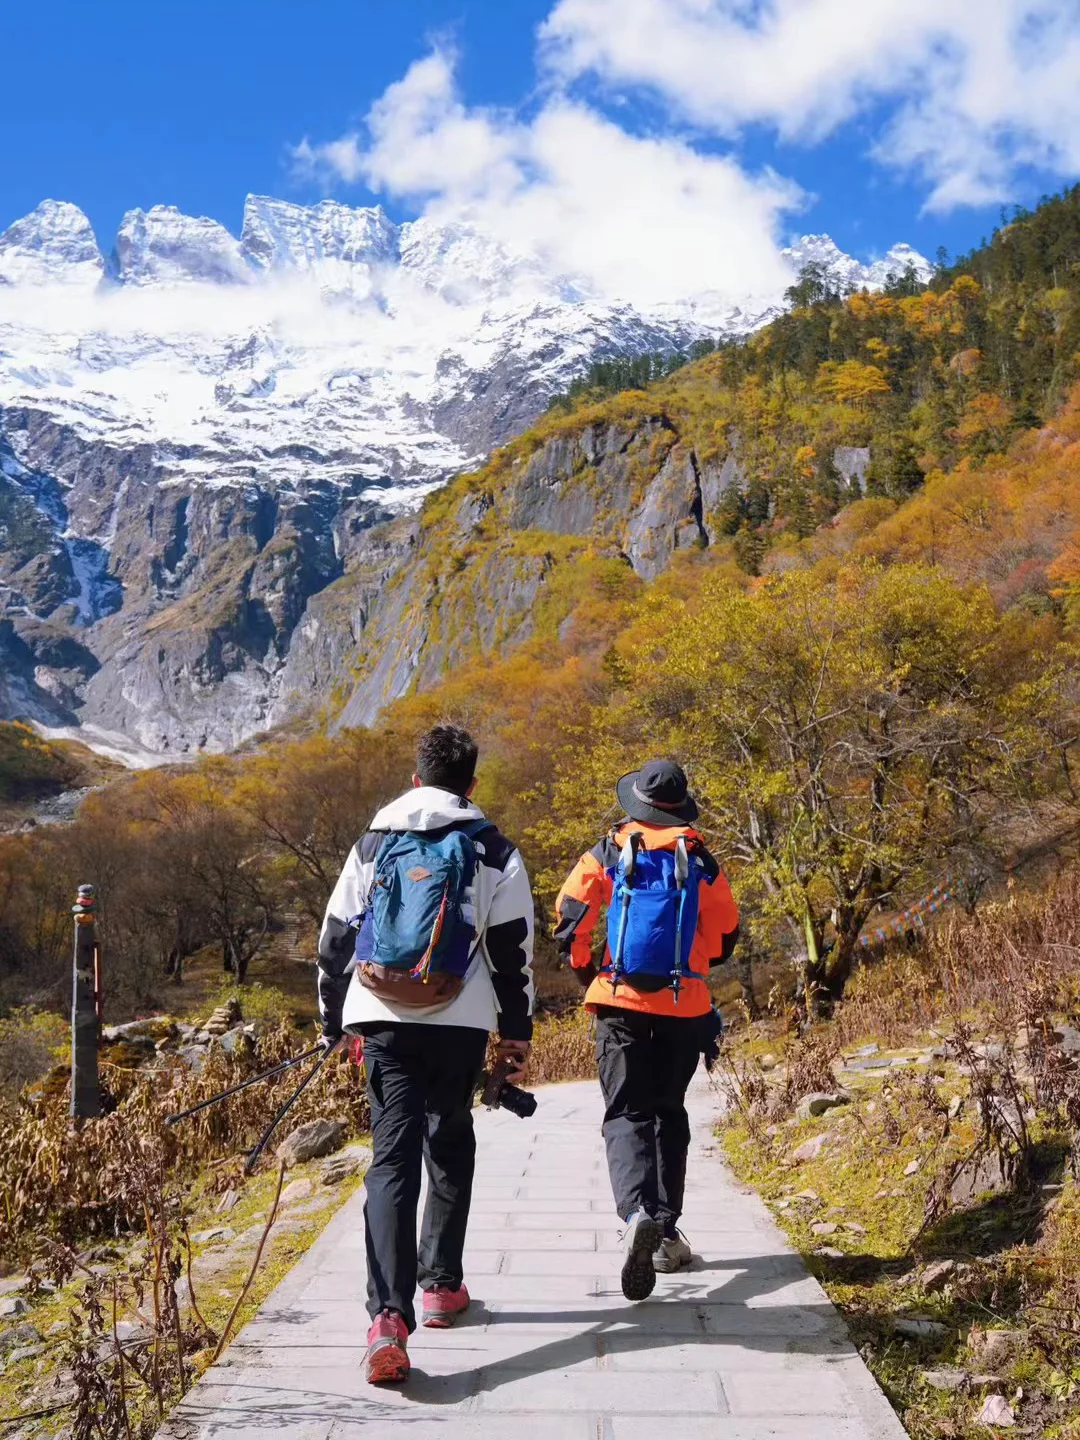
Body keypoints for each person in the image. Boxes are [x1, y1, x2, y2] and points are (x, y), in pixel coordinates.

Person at [317, 725, 535, 1385]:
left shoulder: (374, 841)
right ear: (472, 784)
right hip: (460, 1022)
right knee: (450, 1137)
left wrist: (334, 1023)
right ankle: (440, 1287)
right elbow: (512, 954)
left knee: (391, 1160)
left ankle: (388, 1316)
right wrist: (516, 1034)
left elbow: (334, 942)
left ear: (416, 780)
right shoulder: (494, 848)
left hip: (380, 1019)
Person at [554, 760, 739, 1301]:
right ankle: (664, 1228)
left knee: (625, 1112)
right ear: (681, 806)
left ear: (637, 802)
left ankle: (635, 1212)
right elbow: (726, 935)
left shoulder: (609, 850)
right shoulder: (702, 858)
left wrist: (590, 967)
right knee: (668, 1113)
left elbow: (570, 918)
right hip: (686, 1006)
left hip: (620, 1002)